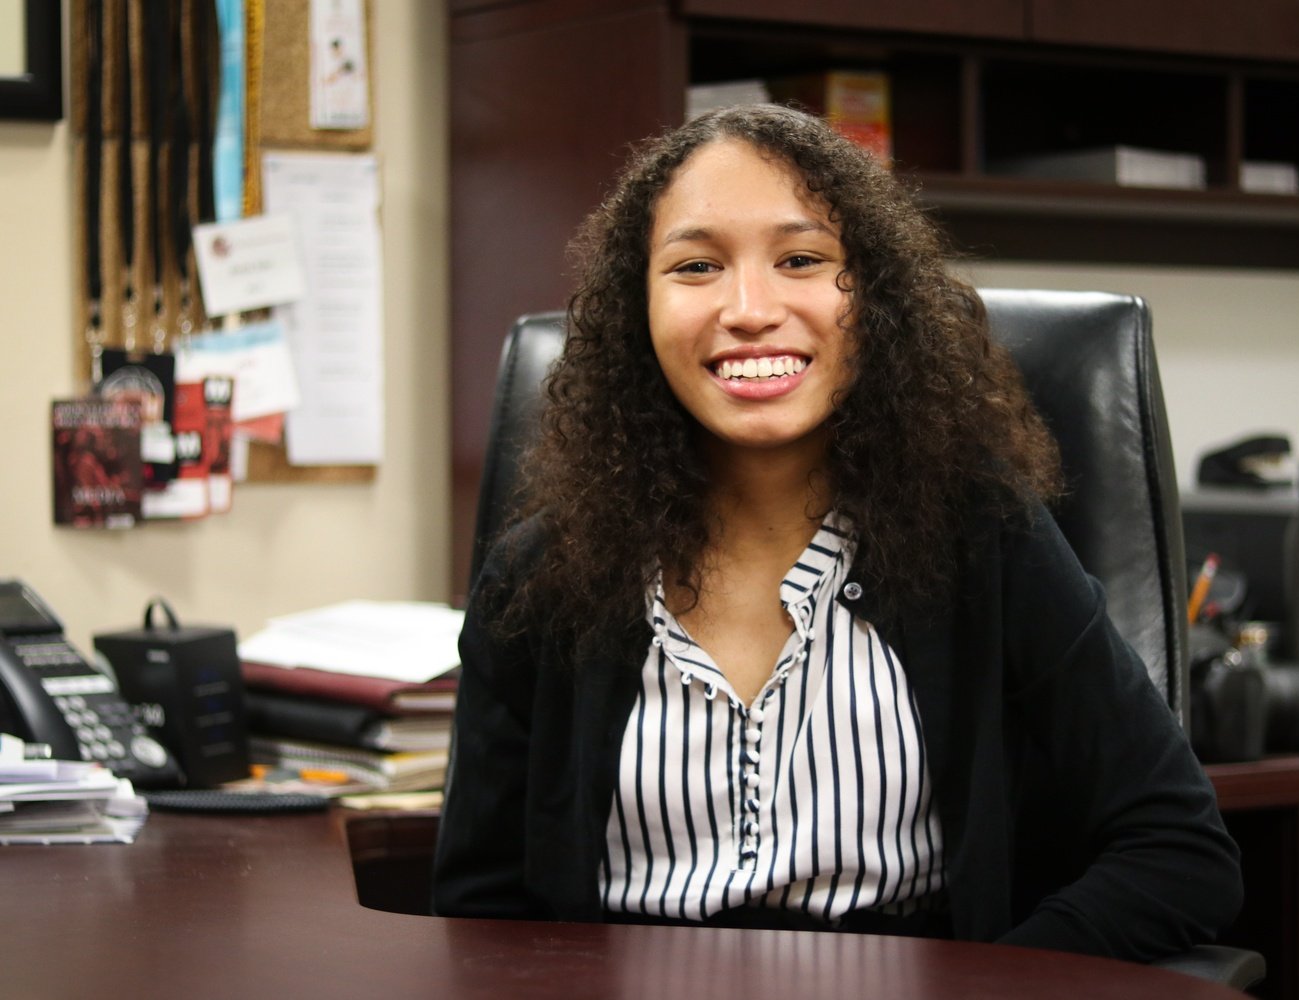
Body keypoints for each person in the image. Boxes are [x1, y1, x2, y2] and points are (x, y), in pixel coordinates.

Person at [432, 104, 1242, 961]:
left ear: (877, 299)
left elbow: (1180, 854)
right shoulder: (542, 577)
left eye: (803, 260)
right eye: (696, 265)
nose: (749, 309)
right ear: (639, 308)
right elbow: (480, 908)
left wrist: (997, 989)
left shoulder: (981, 538)